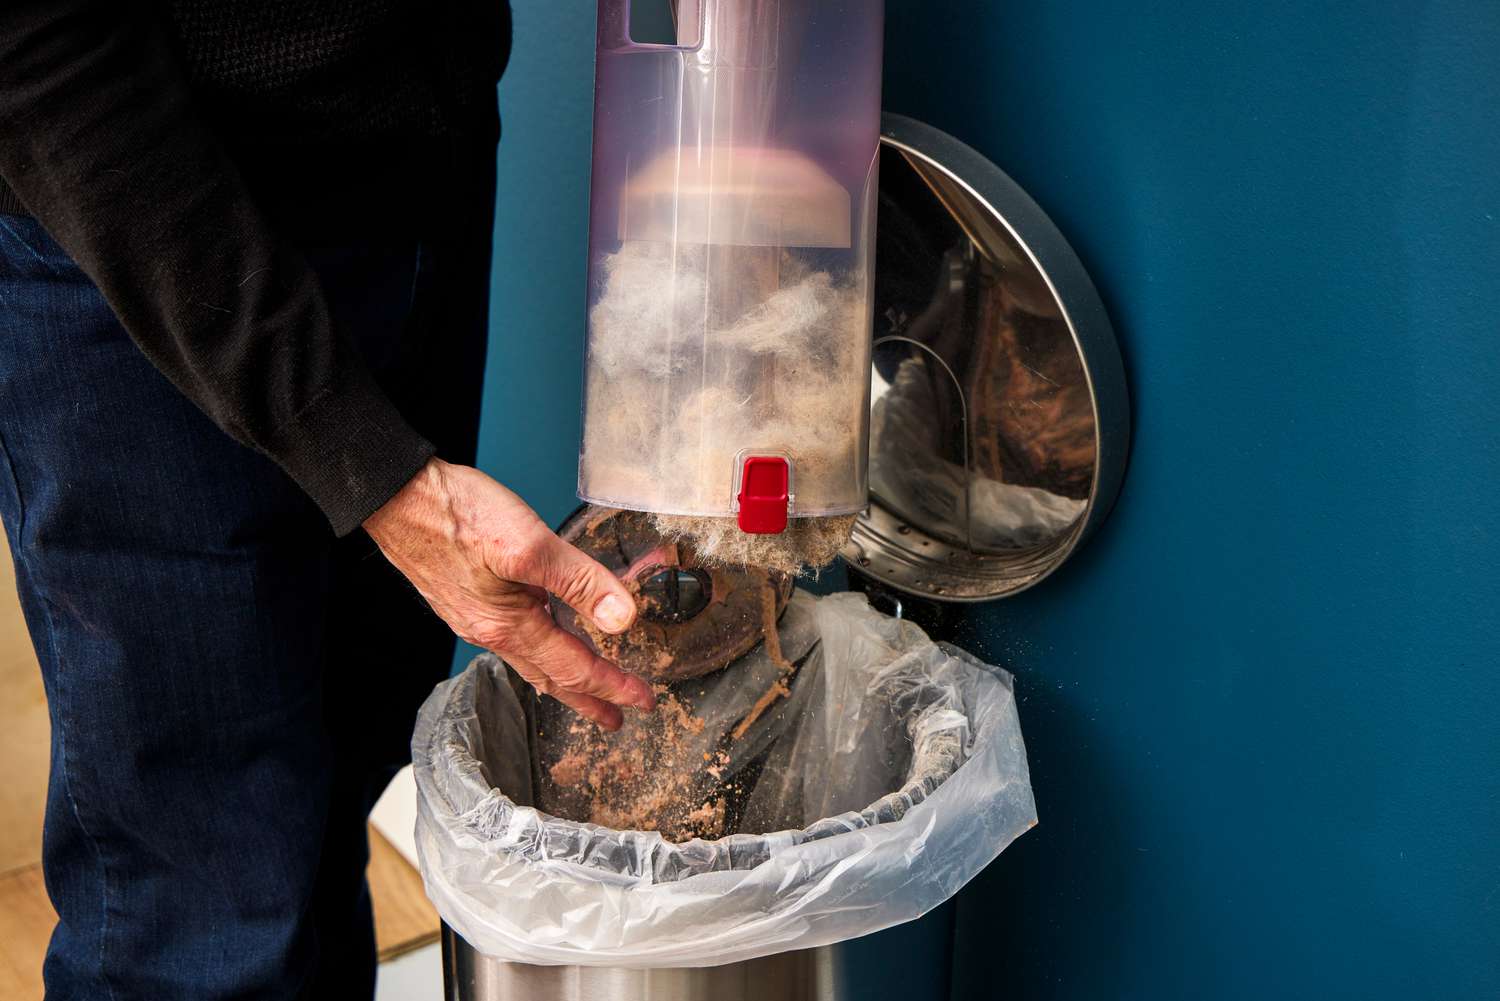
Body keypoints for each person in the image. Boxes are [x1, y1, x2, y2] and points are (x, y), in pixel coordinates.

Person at [0, 2, 655, 998]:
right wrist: (375, 469)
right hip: (139, 227)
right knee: (212, 908)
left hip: (411, 182)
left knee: (323, 807)